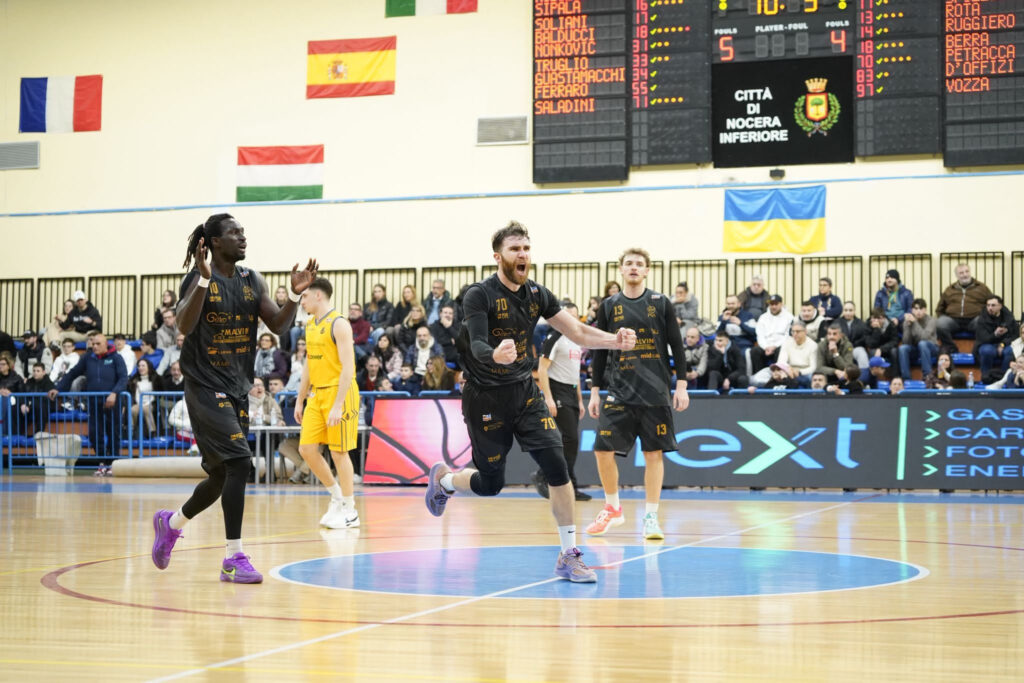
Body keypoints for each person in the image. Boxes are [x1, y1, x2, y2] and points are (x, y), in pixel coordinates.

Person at [424, 221, 636, 584]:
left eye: (526, 248)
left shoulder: (537, 294)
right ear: (498, 257)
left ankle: (569, 555)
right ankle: (445, 481)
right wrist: (495, 354)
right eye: (514, 249)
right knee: (490, 484)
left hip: (524, 393)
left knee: (557, 465)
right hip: (485, 397)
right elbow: (477, 343)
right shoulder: (479, 295)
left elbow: (578, 331)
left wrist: (614, 340)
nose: (522, 254)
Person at [150, 213, 317, 584]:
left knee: (221, 475)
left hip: (238, 386)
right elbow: (184, 325)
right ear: (214, 242)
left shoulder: (251, 279)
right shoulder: (197, 278)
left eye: (243, 232)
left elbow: (279, 325)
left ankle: (171, 524)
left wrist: (294, 295)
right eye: (234, 233)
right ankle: (233, 557)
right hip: (204, 385)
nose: (243, 237)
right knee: (241, 461)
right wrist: (203, 279)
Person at [585, 247, 689, 541]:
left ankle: (651, 518)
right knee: (602, 449)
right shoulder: (609, 306)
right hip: (619, 390)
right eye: (628, 263)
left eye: (639, 264)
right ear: (621, 269)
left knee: (653, 454)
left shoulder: (660, 302)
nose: (633, 267)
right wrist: (595, 391)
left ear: (646, 271)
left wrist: (681, 385)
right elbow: (600, 350)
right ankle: (613, 508)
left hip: (655, 391)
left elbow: (677, 345)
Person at [292, 277, 362, 529]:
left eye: (304, 296)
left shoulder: (339, 323)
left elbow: (348, 368)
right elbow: (308, 365)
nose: (302, 301)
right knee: (306, 449)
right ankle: (336, 496)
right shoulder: (310, 324)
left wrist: (338, 404)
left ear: (318, 295)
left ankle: (350, 510)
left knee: (339, 452)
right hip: (317, 394)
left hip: (340, 392)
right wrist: (300, 399)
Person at [531, 302, 590, 502]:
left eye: (575, 316)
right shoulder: (554, 337)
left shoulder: (576, 341)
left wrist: (580, 400)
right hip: (557, 391)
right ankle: (543, 474)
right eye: (568, 315)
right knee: (568, 439)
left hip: (571, 392)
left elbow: (575, 374)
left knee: (570, 442)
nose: (571, 319)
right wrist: (548, 397)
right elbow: (542, 369)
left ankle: (570, 486)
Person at [49, 331, 128, 458]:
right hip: (94, 402)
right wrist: (58, 388)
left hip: (113, 402)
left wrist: (114, 393)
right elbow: (72, 373)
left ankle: (113, 461)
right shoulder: (87, 358)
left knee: (114, 433)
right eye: (93, 343)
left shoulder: (116, 358)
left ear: (106, 344)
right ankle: (102, 460)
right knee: (94, 434)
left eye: (98, 344)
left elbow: (123, 378)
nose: (94, 346)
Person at [935, 263, 993, 352]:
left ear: (970, 272)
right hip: (953, 320)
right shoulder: (949, 289)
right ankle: (951, 347)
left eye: (967, 271)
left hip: (974, 319)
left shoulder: (982, 288)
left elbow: (992, 303)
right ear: (957, 275)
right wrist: (942, 317)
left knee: (982, 322)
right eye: (961, 273)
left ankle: (977, 349)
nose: (965, 274)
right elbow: (940, 308)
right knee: (940, 324)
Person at [973, 295, 1019, 380]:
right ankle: (986, 377)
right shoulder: (982, 319)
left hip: (1005, 344)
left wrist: (1002, 344)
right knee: (987, 351)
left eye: (993, 305)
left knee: (1010, 351)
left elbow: (1015, 336)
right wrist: (995, 334)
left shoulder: (1009, 318)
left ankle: (1004, 378)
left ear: (1000, 306)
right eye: (988, 305)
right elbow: (982, 339)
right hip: (987, 344)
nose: (990, 308)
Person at [897, 298, 940, 379]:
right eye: (916, 309)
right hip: (916, 349)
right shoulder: (908, 321)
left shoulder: (932, 320)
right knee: (902, 348)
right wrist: (908, 326)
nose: (918, 311)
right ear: (912, 310)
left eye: (921, 309)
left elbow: (924, 337)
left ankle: (927, 376)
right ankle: (906, 379)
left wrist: (915, 323)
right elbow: (905, 342)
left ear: (925, 310)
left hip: (932, 348)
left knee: (922, 344)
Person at [751, 294, 794, 372]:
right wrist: (766, 347)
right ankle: (759, 374)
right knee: (755, 351)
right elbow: (760, 335)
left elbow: (788, 335)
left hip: (780, 345)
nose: (774, 307)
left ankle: (778, 374)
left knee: (781, 350)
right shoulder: (763, 317)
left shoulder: (789, 317)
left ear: (781, 304)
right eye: (771, 304)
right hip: (765, 345)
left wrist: (775, 346)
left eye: (776, 304)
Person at [127, 357, 163, 437]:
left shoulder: (157, 379)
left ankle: (152, 432)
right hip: (138, 403)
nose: (140, 368)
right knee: (133, 410)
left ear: (148, 367)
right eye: (139, 366)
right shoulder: (134, 380)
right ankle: (131, 430)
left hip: (151, 403)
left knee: (146, 409)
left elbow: (160, 392)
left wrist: (149, 403)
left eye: (143, 366)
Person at [19, 362, 55, 434]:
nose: (35, 373)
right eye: (34, 371)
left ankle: (39, 433)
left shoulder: (49, 383)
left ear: (43, 372)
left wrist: (29, 405)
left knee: (39, 405)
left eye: (38, 371)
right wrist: (23, 404)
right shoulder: (29, 381)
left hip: (44, 407)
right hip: (31, 406)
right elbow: (22, 394)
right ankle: (17, 433)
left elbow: (45, 400)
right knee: (16, 407)